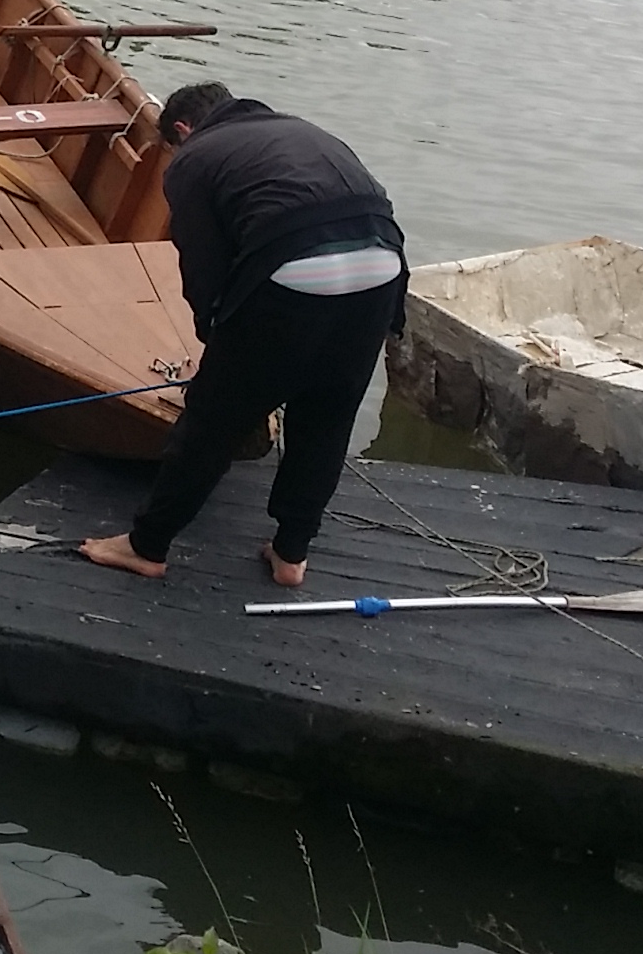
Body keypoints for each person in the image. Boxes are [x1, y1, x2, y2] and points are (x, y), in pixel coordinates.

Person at [82, 81, 405, 588]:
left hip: (293, 277)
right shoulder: (301, 130)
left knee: (211, 423)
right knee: (325, 418)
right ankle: (291, 553)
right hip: (382, 272)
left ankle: (146, 545)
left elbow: (203, 266)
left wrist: (217, 347)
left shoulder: (196, 158)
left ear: (183, 130)